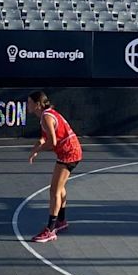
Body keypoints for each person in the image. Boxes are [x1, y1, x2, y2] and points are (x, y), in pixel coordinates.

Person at [28, 91, 83, 243]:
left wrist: (38, 150)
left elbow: (52, 142)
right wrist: (34, 150)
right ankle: (61, 221)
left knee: (54, 191)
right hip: (70, 151)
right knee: (60, 187)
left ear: (37, 104)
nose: (27, 105)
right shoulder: (45, 115)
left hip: (69, 153)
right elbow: (44, 138)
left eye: (29, 103)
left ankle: (50, 230)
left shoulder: (46, 117)